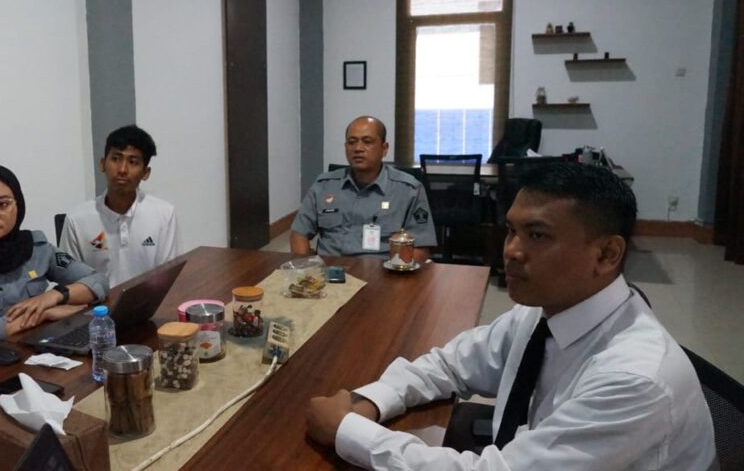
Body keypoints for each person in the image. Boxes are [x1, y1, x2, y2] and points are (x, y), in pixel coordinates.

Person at [305, 162, 716, 470]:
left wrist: (348, 431)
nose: (511, 251)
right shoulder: (544, 312)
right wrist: (372, 402)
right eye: (510, 231)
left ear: (607, 254)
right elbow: (451, 364)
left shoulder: (634, 379)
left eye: (537, 235)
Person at [0, 164, 108, 361]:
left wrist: (55, 296)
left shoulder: (38, 249)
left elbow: (97, 281)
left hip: (36, 352)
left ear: (18, 206)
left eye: (2, 204)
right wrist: (43, 314)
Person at [290, 115, 436, 259]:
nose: (358, 148)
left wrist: (395, 272)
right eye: (352, 142)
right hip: (330, 269)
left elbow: (421, 247)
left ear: (384, 148)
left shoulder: (409, 189)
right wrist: (306, 266)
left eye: (367, 141)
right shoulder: (324, 185)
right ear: (345, 147)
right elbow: (299, 233)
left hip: (381, 269)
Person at [60, 125, 180, 288]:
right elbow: (68, 283)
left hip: (149, 303)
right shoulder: (77, 220)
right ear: (103, 164)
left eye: (133, 162)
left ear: (146, 173)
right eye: (116, 159)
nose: (122, 169)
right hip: (95, 304)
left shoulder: (164, 215)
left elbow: (169, 277)